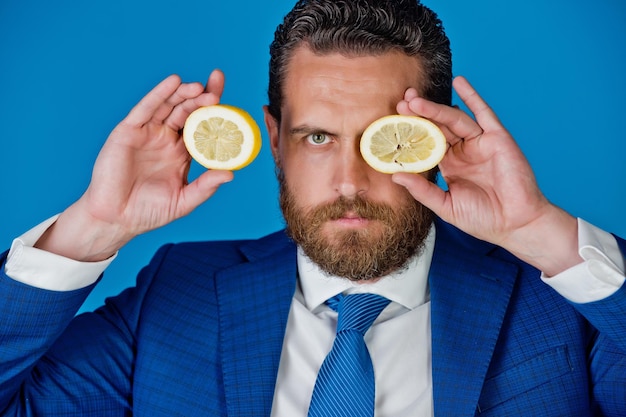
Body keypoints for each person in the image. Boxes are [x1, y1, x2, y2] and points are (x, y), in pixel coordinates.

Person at [1, 0, 624, 415]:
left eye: (385, 140)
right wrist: (90, 229)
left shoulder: (559, 299)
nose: (349, 181)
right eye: (318, 138)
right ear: (275, 140)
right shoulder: (175, 296)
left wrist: (540, 232)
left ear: (435, 141)